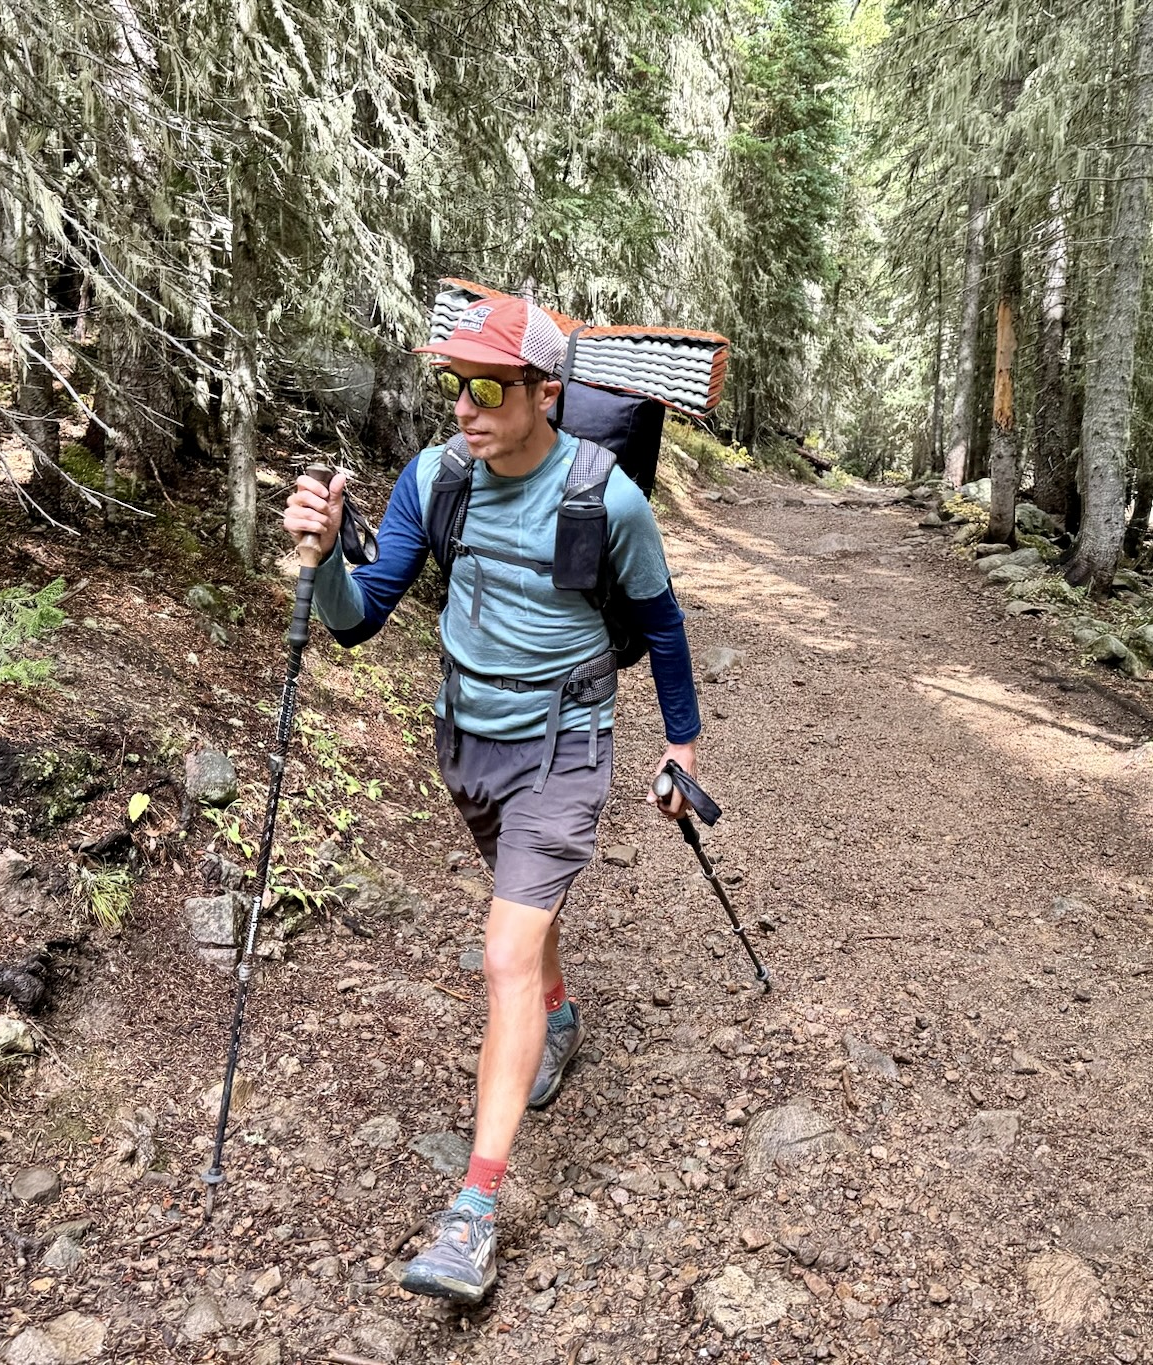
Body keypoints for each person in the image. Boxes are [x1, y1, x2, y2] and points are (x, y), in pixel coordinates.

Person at [281, 293, 702, 1304]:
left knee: (504, 950)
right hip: (465, 741)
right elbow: (356, 620)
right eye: (452, 385)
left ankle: (471, 1215)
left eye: (486, 388)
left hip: (566, 746)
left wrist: (685, 750)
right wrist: (324, 555)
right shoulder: (436, 478)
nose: (462, 407)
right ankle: (556, 1016)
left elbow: (666, 628)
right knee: (529, 928)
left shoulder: (609, 502)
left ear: (545, 393)